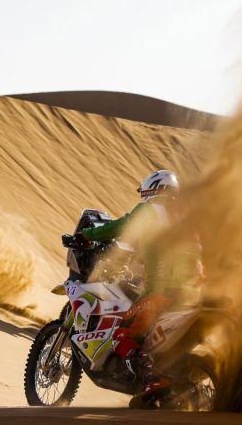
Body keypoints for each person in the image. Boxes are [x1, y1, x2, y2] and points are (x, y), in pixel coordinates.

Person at [77, 169, 202, 395]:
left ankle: (151, 378)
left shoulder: (150, 209)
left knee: (125, 328)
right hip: (190, 292)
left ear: (154, 188)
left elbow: (121, 227)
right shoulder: (184, 216)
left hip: (162, 289)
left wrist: (88, 234)